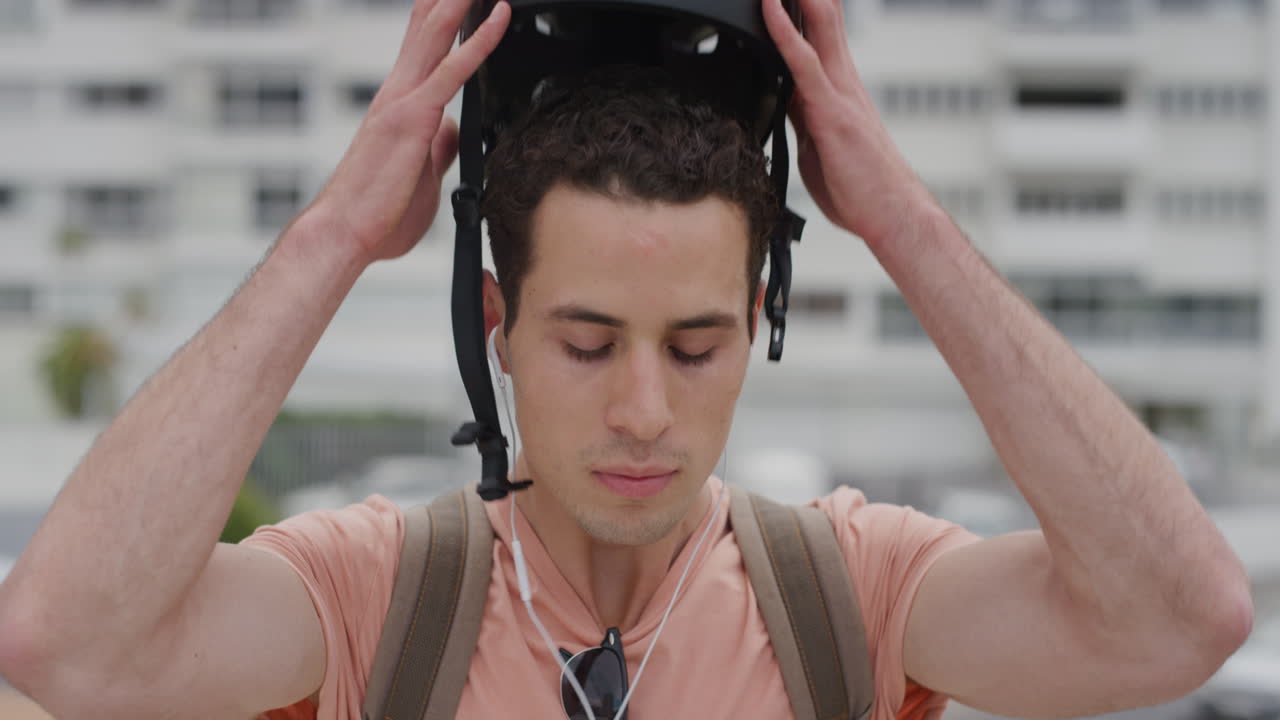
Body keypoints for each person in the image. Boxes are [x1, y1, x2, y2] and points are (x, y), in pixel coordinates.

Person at [0, 0, 1254, 718]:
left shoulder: (844, 597)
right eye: (586, 342)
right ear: (496, 318)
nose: (644, 409)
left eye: (697, 345)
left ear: (760, 315)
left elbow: (1177, 619)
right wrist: (331, 236)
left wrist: (899, 217)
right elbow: (65, 646)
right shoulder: (375, 601)